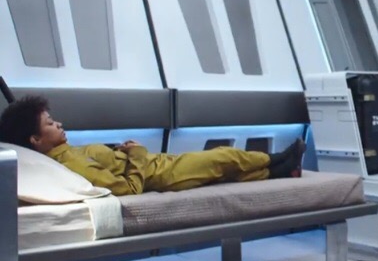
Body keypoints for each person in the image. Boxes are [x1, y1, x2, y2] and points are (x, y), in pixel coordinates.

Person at [0, 95, 306, 196]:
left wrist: (120, 153)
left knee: (224, 169)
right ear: (35, 140)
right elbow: (129, 189)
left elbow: (109, 167)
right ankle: (276, 159)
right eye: (50, 124)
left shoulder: (69, 154)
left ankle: (280, 170)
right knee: (223, 157)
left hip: (159, 165)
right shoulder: (71, 164)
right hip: (162, 175)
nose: (59, 124)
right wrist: (136, 153)